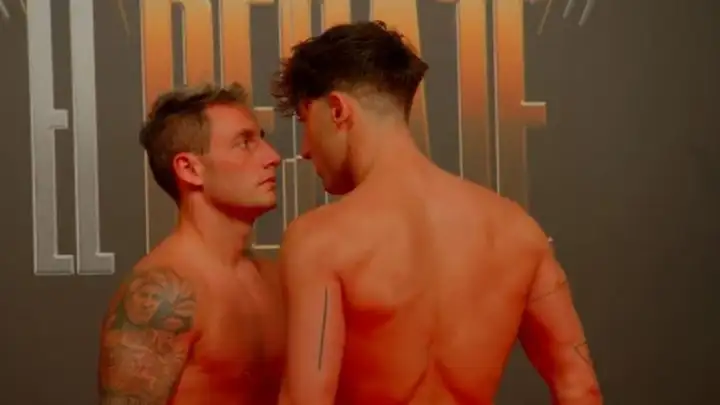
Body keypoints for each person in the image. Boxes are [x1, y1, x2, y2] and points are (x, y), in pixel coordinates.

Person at [271, 21, 603, 405]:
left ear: (337, 110)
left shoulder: (320, 240)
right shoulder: (517, 231)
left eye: (304, 120)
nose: (305, 148)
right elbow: (580, 388)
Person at [98, 83, 285, 405]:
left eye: (262, 140)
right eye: (244, 143)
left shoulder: (273, 278)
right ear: (190, 169)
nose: (273, 157)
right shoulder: (162, 294)